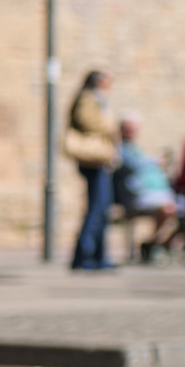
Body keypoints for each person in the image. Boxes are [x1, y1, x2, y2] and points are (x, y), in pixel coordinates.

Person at [63, 69, 119, 271]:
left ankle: (99, 256)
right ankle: (84, 255)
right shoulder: (88, 98)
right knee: (96, 209)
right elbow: (87, 121)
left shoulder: (97, 99)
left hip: (101, 160)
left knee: (102, 209)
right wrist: (110, 127)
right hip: (93, 161)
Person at [111, 116, 179, 258]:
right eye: (127, 129)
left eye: (132, 129)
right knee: (167, 208)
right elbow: (135, 165)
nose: (130, 132)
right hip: (135, 196)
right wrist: (155, 160)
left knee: (180, 209)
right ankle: (154, 243)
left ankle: (155, 242)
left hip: (154, 194)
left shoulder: (136, 149)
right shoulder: (120, 149)